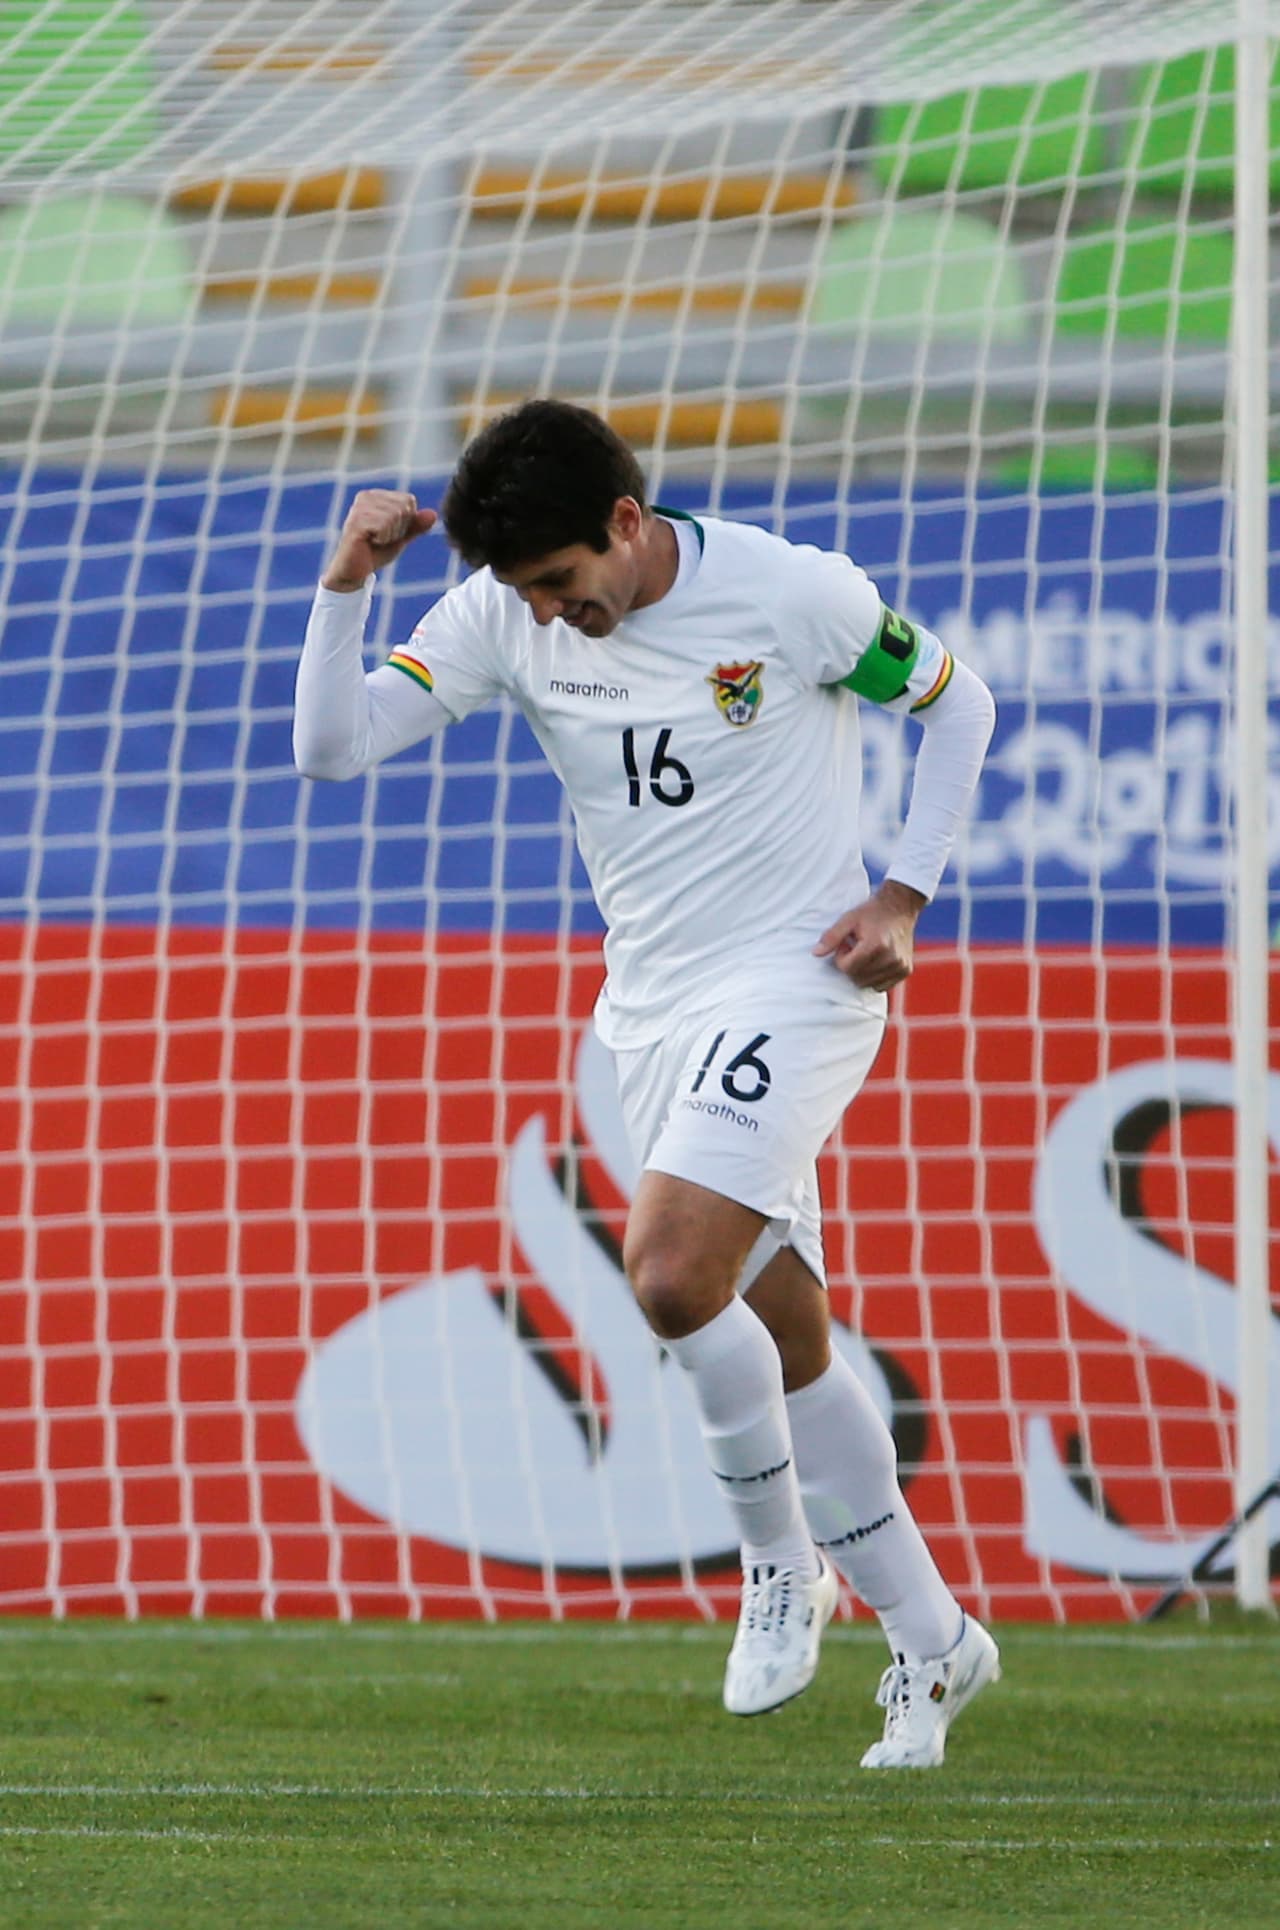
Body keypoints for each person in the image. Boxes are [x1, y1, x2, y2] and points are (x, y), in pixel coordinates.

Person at [294, 398, 999, 1769]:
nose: (551, 617)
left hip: (803, 977)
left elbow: (957, 703)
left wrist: (905, 894)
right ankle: (933, 1642)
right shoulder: (509, 618)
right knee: (785, 1334)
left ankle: (779, 1565)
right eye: (524, 594)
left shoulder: (791, 593)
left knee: (674, 1277)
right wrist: (344, 589)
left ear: (626, 524)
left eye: (562, 585)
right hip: (651, 1016)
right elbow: (332, 747)